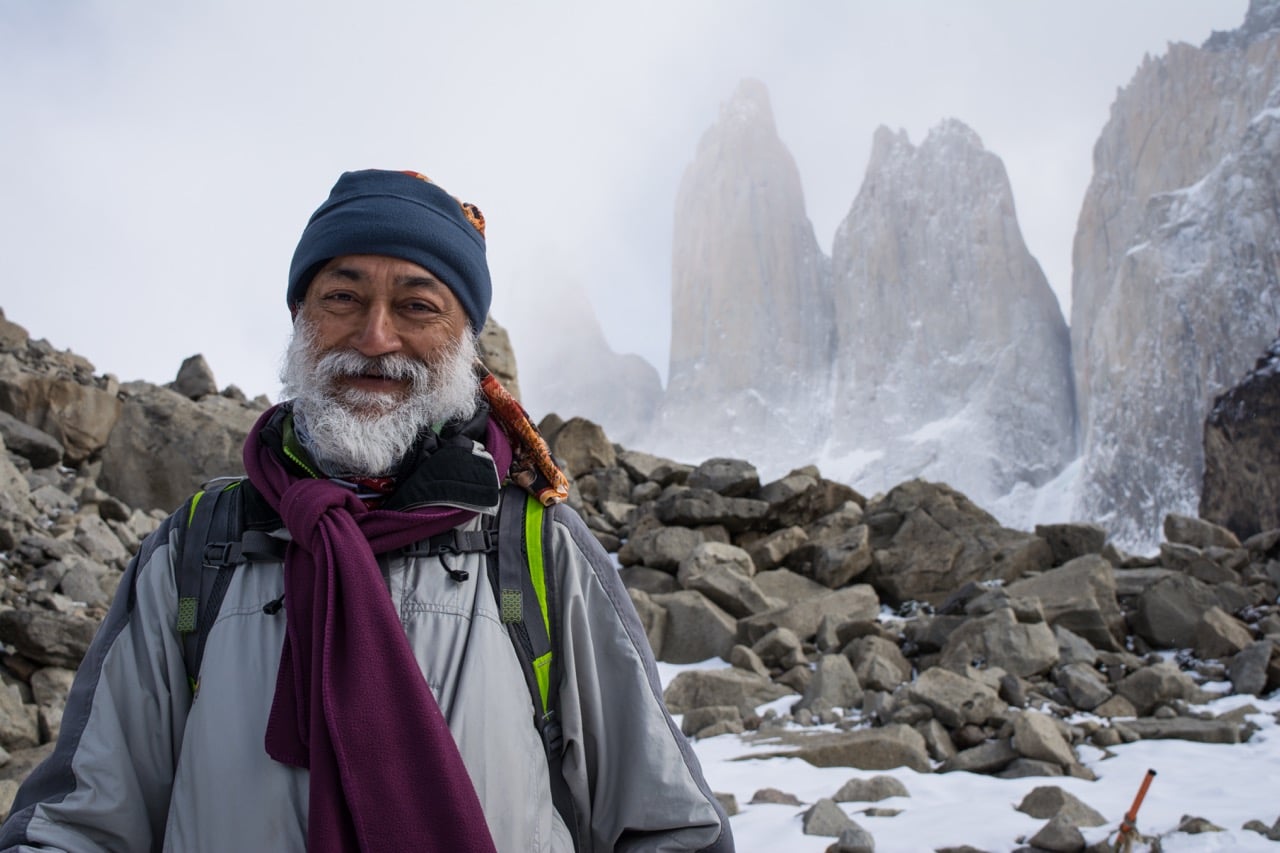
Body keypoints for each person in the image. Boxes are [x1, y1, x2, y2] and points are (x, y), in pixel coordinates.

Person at [0, 170, 734, 852]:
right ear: (300, 319)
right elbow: (78, 825)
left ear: (465, 345)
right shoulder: (201, 548)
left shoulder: (536, 548)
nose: (376, 337)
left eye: (417, 305)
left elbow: (668, 827)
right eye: (343, 298)